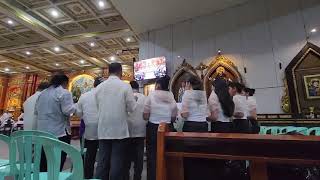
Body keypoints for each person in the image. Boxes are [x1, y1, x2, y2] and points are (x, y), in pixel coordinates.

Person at [95, 63, 136, 180]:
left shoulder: (99, 87)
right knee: (117, 162)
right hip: (119, 130)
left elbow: (98, 106)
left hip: (103, 128)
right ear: (120, 72)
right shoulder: (125, 86)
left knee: (102, 163)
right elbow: (132, 108)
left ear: (108, 72)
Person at [35, 74, 76, 171]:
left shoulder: (42, 93)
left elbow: (36, 111)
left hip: (42, 132)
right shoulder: (64, 92)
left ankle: (43, 177)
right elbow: (67, 110)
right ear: (65, 83)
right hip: (59, 132)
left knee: (44, 159)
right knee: (58, 160)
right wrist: (77, 106)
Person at [143, 75, 177, 180]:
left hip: (153, 129)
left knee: (152, 156)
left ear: (157, 85)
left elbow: (145, 115)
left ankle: (153, 177)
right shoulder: (171, 96)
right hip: (167, 128)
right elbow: (173, 116)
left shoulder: (151, 95)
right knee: (167, 154)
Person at [180, 76, 209, 180]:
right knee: (201, 154)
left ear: (189, 84)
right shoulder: (203, 94)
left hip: (191, 126)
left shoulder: (187, 93)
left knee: (189, 155)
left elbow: (185, 114)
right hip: (203, 126)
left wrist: (181, 113)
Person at [76, 77, 103, 179]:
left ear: (94, 85)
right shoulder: (106, 96)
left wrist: (86, 117)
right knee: (103, 158)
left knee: (89, 157)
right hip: (104, 131)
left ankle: (88, 177)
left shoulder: (84, 96)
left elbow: (78, 113)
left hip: (89, 130)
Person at [125, 81, 147, 180]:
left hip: (128, 131)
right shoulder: (144, 98)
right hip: (141, 130)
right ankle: (137, 177)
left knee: (127, 155)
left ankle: (126, 176)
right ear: (138, 88)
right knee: (139, 157)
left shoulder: (126, 97)